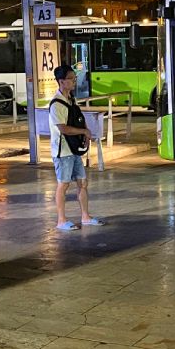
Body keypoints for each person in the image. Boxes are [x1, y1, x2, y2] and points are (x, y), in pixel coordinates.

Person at [49, 65, 102, 231]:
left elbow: (77, 118)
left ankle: (85, 216)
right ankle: (61, 220)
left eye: (74, 78)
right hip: (62, 151)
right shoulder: (56, 104)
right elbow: (63, 128)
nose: (74, 81)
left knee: (82, 182)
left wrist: (85, 135)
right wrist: (84, 131)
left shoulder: (70, 99)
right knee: (63, 185)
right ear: (61, 81)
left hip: (73, 149)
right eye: (71, 78)